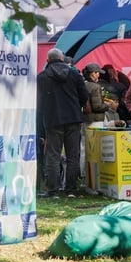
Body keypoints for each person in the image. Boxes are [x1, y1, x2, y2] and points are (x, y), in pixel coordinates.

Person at [37, 48, 88, 198]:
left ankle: (53, 190)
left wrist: (47, 110)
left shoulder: (42, 76)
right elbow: (84, 95)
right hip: (73, 119)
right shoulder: (74, 74)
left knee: (53, 155)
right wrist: (75, 107)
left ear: (47, 60)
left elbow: (38, 101)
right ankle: (71, 190)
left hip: (53, 120)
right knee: (73, 155)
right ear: (62, 58)